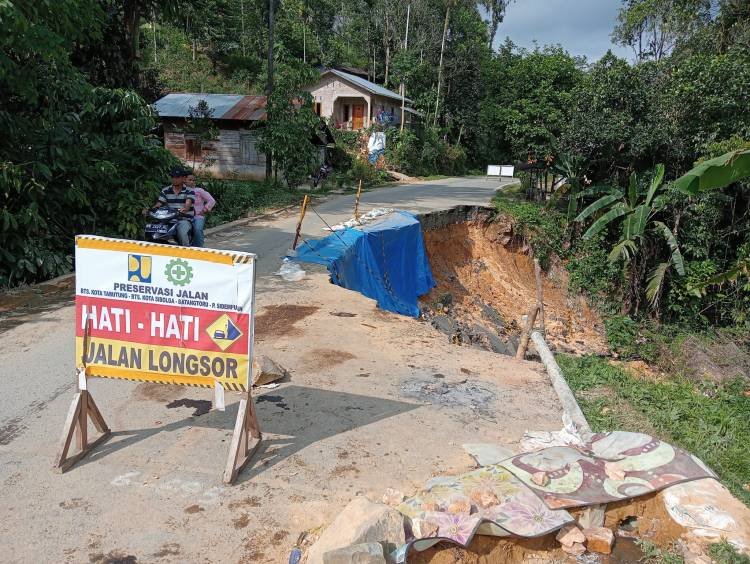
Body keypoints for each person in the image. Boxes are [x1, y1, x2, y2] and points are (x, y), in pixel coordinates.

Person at [152, 167, 195, 246]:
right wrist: (151, 210)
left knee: (182, 232)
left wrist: (185, 208)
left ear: (183, 178)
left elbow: (188, 204)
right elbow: (159, 203)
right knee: (154, 231)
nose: (174, 179)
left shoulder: (190, 191)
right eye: (173, 177)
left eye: (177, 177)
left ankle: (185, 252)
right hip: (167, 220)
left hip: (183, 220)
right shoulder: (165, 190)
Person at [184, 172, 215, 247]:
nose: (192, 182)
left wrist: (205, 209)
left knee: (197, 230)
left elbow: (211, 200)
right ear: (184, 180)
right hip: (184, 216)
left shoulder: (199, 191)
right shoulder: (181, 191)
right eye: (190, 180)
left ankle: (199, 249)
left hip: (198, 216)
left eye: (194, 180)